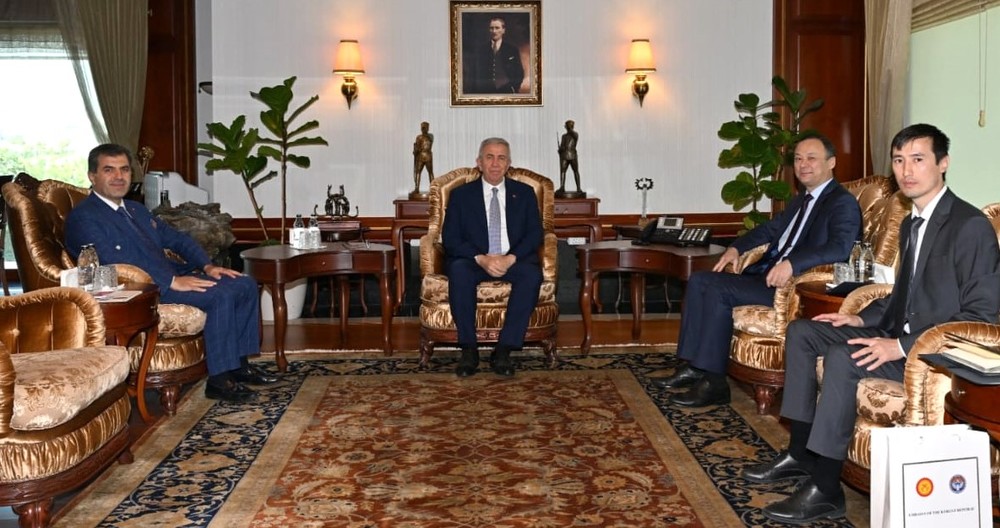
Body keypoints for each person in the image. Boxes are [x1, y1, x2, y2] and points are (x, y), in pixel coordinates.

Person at [746, 124, 1000, 524]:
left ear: (943, 163)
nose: (907, 170)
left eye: (918, 159)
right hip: (897, 331)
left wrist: (899, 347)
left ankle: (826, 489)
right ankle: (800, 452)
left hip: (931, 354)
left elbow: (981, 316)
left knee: (842, 357)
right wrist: (859, 317)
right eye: (899, 160)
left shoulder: (969, 226)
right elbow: (903, 295)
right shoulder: (913, 222)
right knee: (803, 331)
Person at [651, 132, 863, 407]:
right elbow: (769, 230)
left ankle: (714, 383)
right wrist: (735, 247)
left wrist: (793, 264)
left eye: (811, 158)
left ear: (831, 162)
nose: (803, 165)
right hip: (766, 276)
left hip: (791, 289)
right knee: (699, 281)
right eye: (798, 159)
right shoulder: (801, 200)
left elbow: (840, 247)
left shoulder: (842, 202)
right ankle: (695, 367)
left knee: (716, 289)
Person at [65, 143, 277, 403]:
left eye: (124, 170)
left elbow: (178, 239)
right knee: (220, 295)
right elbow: (115, 262)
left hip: (170, 276)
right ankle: (220, 380)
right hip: (140, 291)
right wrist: (171, 281)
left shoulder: (135, 209)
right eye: (109, 170)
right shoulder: (84, 217)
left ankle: (239, 366)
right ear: (92, 176)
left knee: (244, 284)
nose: (119, 177)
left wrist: (208, 266)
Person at [442, 137, 543, 377]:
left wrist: (511, 258)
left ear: (509, 164)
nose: (495, 163)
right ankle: (469, 349)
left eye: (501, 158)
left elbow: (535, 234)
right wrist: (481, 258)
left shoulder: (525, 193)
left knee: (532, 274)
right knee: (458, 270)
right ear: (479, 162)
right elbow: (451, 238)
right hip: (475, 260)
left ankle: (504, 349)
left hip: (512, 259)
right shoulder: (461, 195)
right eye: (489, 157)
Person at [465, 17, 524, 94]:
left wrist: (513, 88)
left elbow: (519, 72)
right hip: (485, 92)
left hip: (506, 90)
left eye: (497, 28)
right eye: (491, 28)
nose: (494, 31)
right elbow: (473, 73)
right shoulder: (481, 50)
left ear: (503, 30)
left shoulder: (512, 50)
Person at [557, 120, 581, 194]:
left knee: (576, 171)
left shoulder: (575, 134)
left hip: (572, 155)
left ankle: (578, 188)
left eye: (567, 126)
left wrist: (570, 128)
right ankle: (562, 187)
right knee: (562, 171)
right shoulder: (563, 136)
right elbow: (563, 146)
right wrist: (560, 150)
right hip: (564, 156)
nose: (566, 127)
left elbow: (573, 133)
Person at [412, 121, 434, 193]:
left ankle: (433, 188)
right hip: (421, 156)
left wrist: (417, 150)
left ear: (427, 128)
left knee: (430, 172)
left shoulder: (430, 136)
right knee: (418, 172)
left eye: (425, 128)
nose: (423, 129)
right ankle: (417, 188)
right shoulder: (419, 137)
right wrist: (415, 151)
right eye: (423, 128)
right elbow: (417, 148)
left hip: (426, 155)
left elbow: (427, 142)